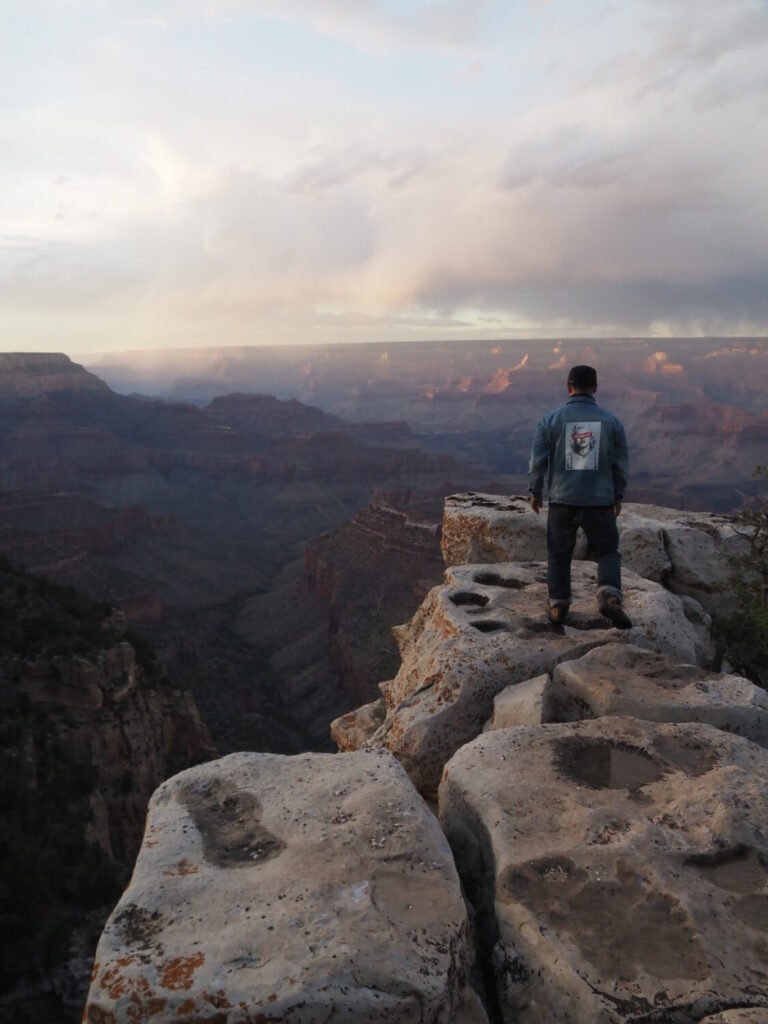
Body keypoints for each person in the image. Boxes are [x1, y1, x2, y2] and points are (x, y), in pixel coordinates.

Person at [528, 364, 631, 628]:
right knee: (607, 550)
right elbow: (620, 465)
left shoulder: (550, 420)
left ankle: (558, 604)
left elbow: (537, 461)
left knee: (559, 553)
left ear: (568, 386)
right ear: (595, 388)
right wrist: (618, 495)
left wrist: (535, 491)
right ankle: (609, 594)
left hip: (562, 501)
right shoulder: (612, 422)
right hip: (601, 502)